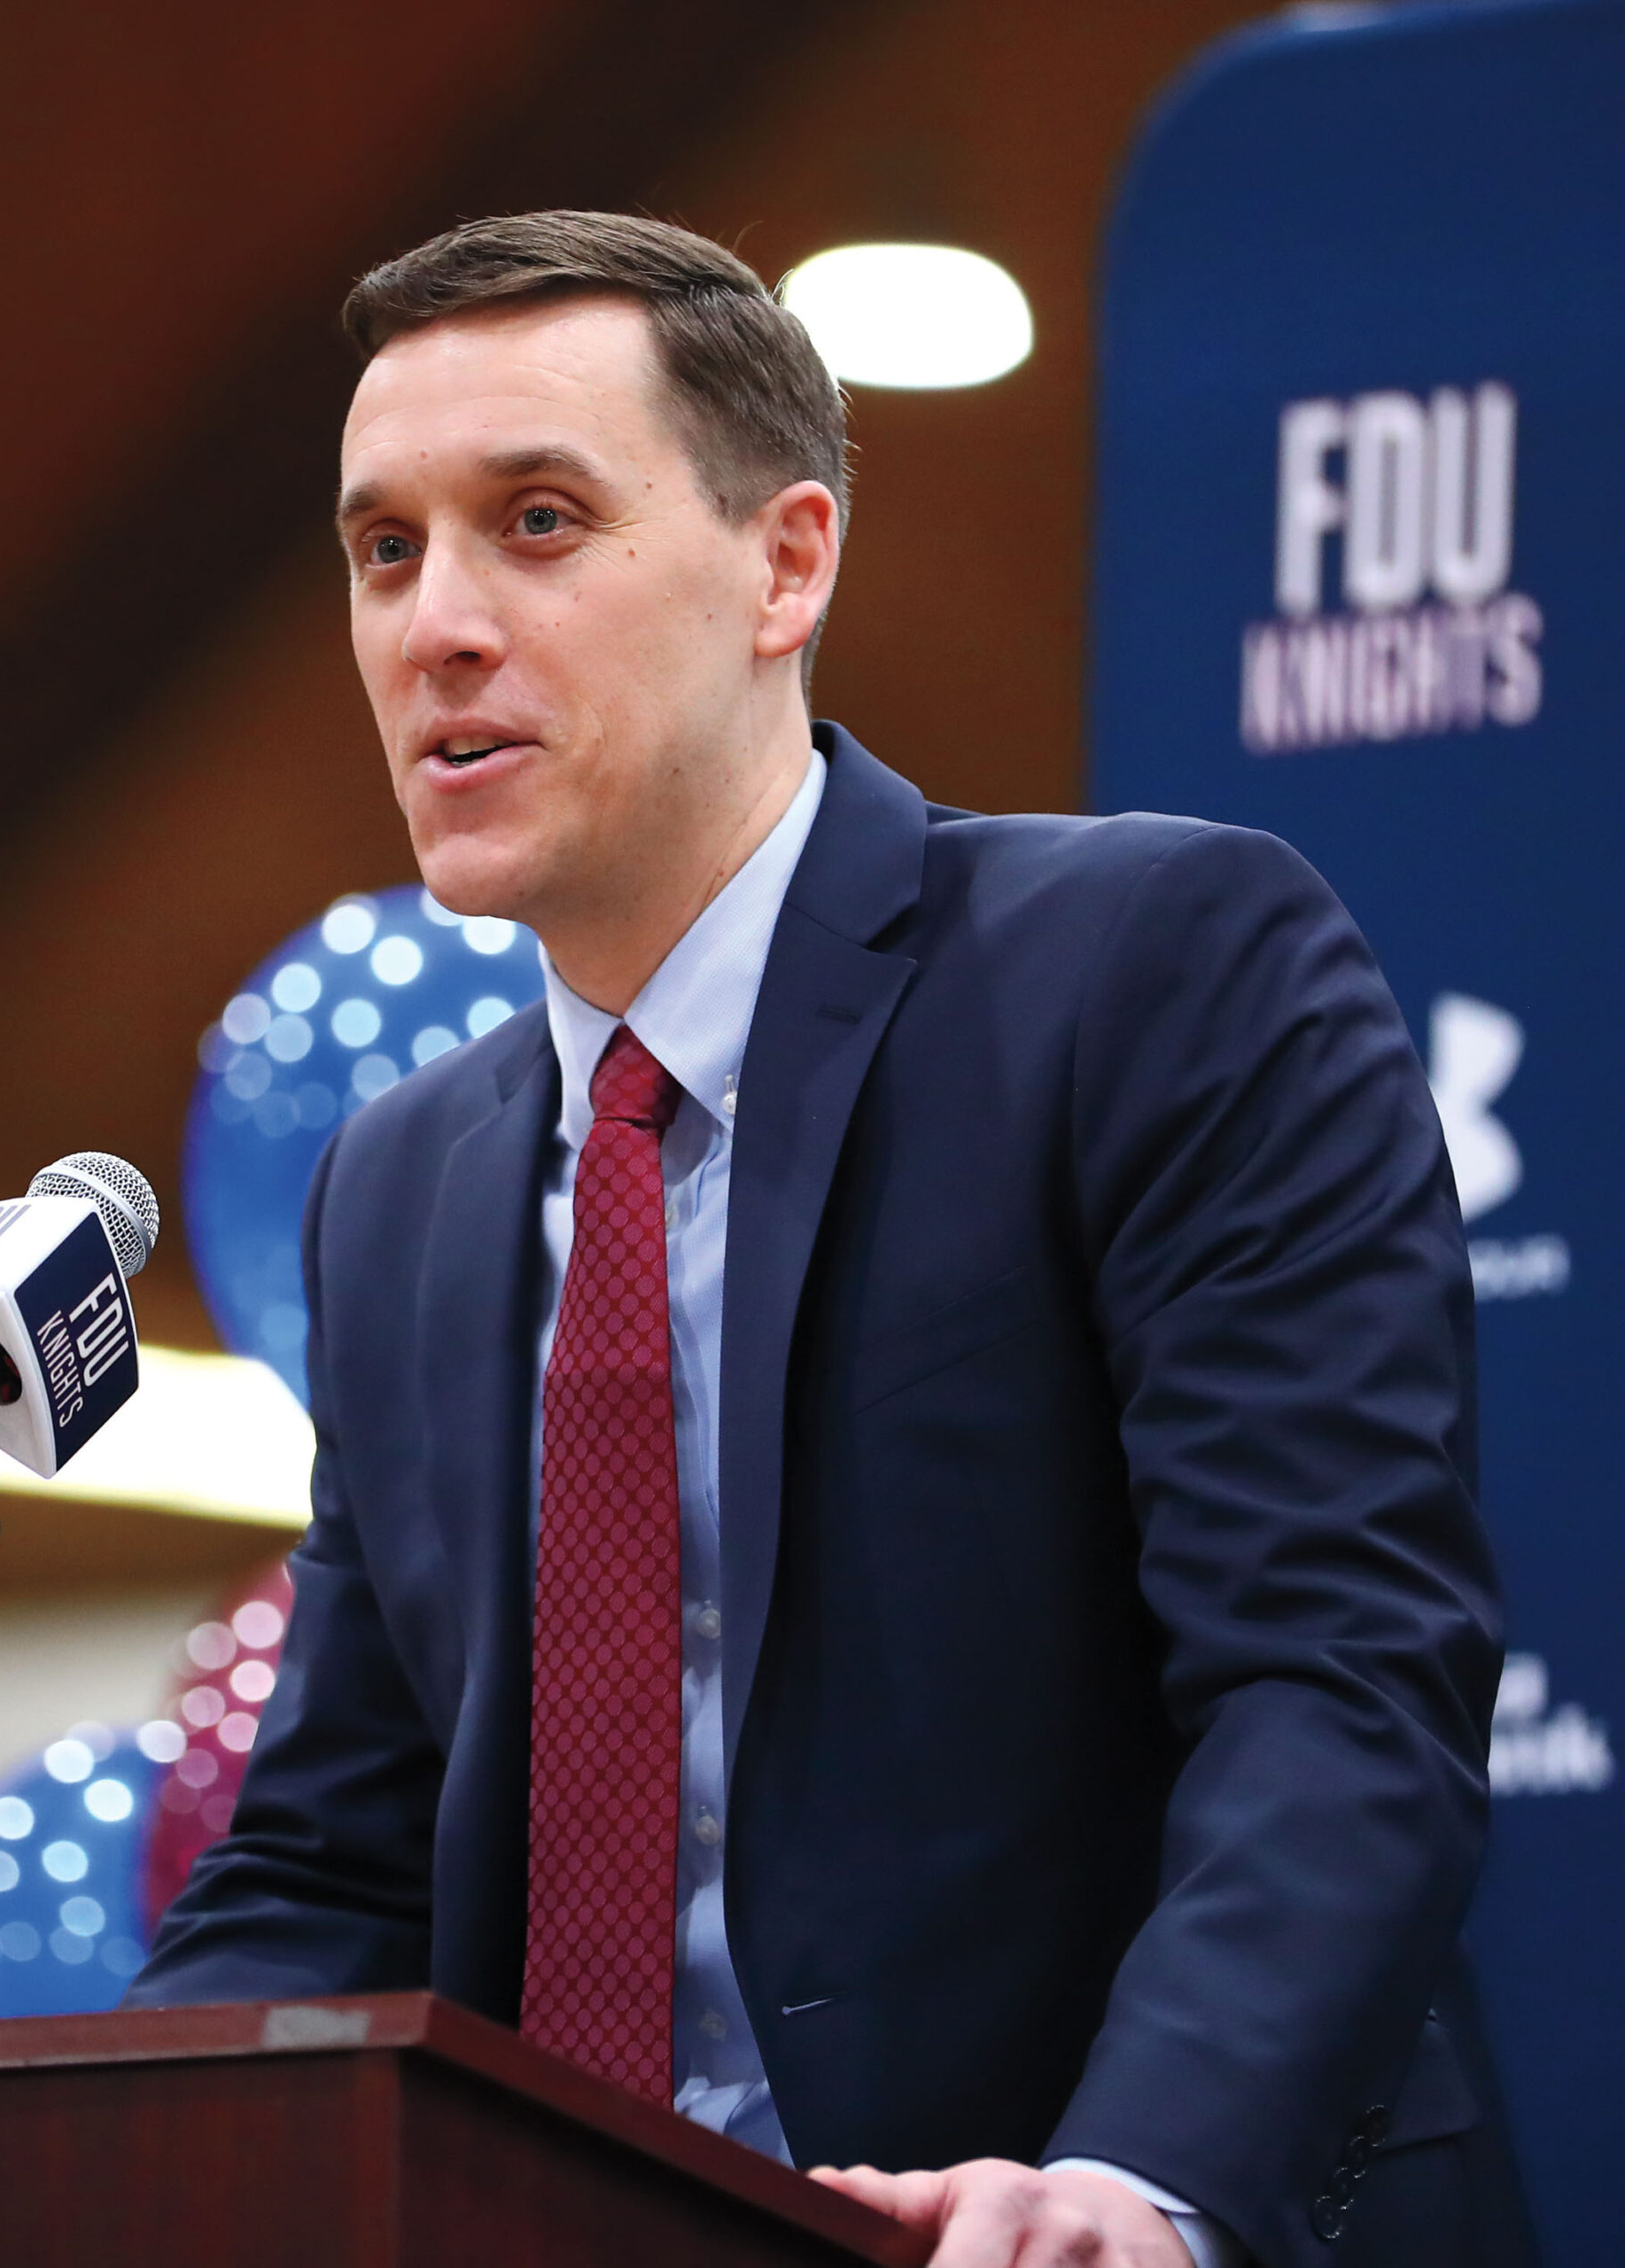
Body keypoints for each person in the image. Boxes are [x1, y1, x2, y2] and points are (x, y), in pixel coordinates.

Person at [128, 212, 1532, 2268]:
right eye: (383, 548)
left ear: (787, 564)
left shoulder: (1148, 967)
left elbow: (1334, 1680)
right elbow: (332, 1857)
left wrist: (1129, 2178)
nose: (437, 623)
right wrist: (112, 2162)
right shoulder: (401, 1185)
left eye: (535, 520)